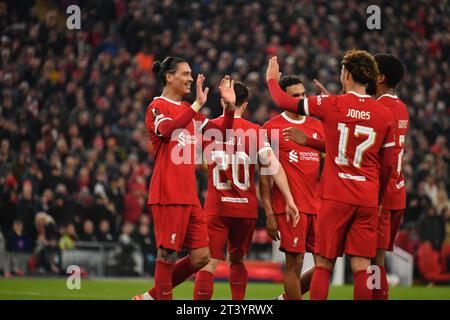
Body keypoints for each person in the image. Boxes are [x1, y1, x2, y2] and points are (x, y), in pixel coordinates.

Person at [266, 50, 396, 300]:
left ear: (346, 74)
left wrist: (271, 80)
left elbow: (285, 103)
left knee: (324, 263)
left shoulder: (331, 104)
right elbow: (388, 165)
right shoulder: (383, 114)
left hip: (335, 197)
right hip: (367, 197)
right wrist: (378, 197)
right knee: (362, 266)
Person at [133, 56, 235, 300]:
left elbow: (221, 133)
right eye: (186, 73)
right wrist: (197, 105)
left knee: (202, 256)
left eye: (191, 73)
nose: (191, 78)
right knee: (167, 254)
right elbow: (167, 131)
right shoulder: (158, 106)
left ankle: (150, 297)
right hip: (168, 193)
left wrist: (229, 109)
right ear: (169, 76)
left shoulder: (192, 114)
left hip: (189, 196)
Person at [194, 81, 299, 300]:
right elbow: (274, 167)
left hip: (217, 206)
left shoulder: (209, 127)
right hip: (245, 209)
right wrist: (289, 198)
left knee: (209, 262)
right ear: (246, 104)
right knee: (238, 260)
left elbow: (198, 162)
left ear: (223, 99)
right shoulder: (256, 131)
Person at [261, 75, 324, 300]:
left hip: (317, 207)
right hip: (289, 208)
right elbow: (265, 177)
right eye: (295, 96)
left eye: (303, 94)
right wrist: (269, 213)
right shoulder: (271, 128)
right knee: (294, 264)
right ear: (285, 99)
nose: (300, 99)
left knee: (325, 265)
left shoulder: (318, 125)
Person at [370, 53, 410, 300]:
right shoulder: (401, 107)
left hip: (382, 196)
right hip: (398, 192)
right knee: (377, 257)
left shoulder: (379, 108)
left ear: (381, 77)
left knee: (374, 258)